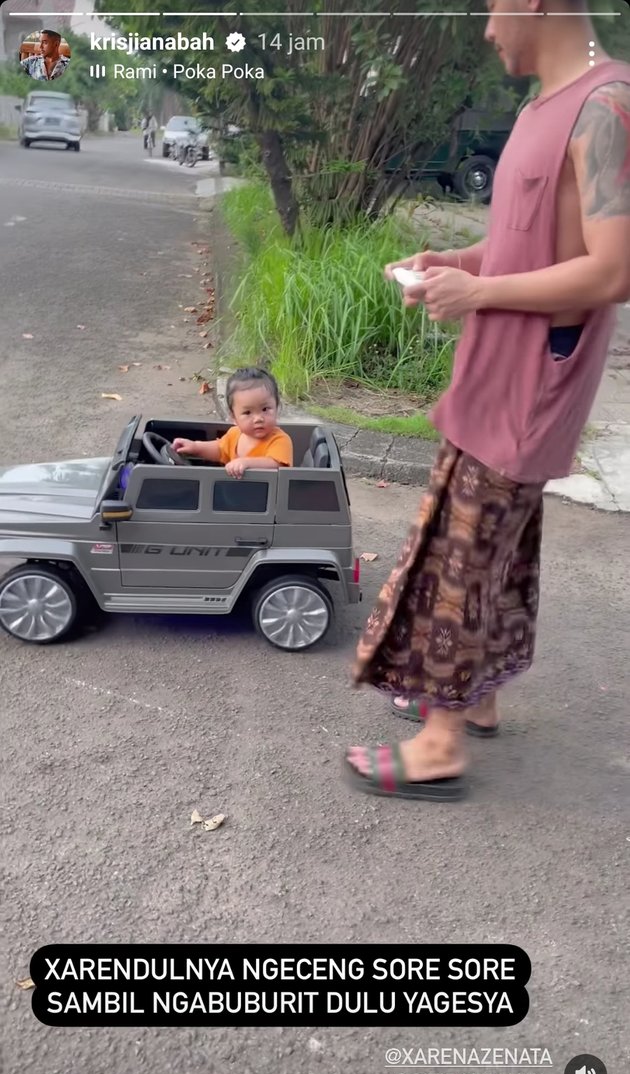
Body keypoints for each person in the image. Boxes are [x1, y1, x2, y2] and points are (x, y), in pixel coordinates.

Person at [345, 0, 630, 802]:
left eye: (492, 8)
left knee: (463, 557)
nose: (485, 27)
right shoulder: (545, 105)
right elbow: (527, 241)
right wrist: (456, 263)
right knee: (500, 551)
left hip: (531, 383)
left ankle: (438, 744)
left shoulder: (607, 104)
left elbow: (613, 270)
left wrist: (483, 292)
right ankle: (478, 701)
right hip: (496, 375)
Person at [172, 367, 293, 477]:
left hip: (267, 499)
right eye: (247, 413)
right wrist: (195, 447)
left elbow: (277, 465)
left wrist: (246, 463)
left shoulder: (279, 440)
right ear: (233, 417)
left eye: (265, 409)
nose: (258, 418)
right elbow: (219, 450)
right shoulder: (234, 434)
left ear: (277, 408)